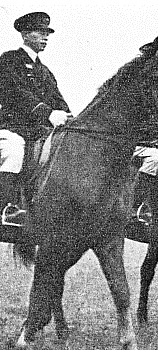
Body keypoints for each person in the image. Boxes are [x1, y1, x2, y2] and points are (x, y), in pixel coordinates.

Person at [0, 12, 71, 225]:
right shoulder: (9, 60)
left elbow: (59, 101)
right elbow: (15, 93)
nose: (45, 37)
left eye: (47, 33)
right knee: (14, 149)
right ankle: (7, 209)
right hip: (13, 127)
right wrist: (47, 113)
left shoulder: (45, 71)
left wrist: (71, 118)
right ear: (24, 34)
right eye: (40, 32)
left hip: (39, 131)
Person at [130, 38, 158, 224]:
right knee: (154, 159)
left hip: (154, 142)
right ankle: (133, 206)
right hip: (135, 142)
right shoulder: (137, 85)